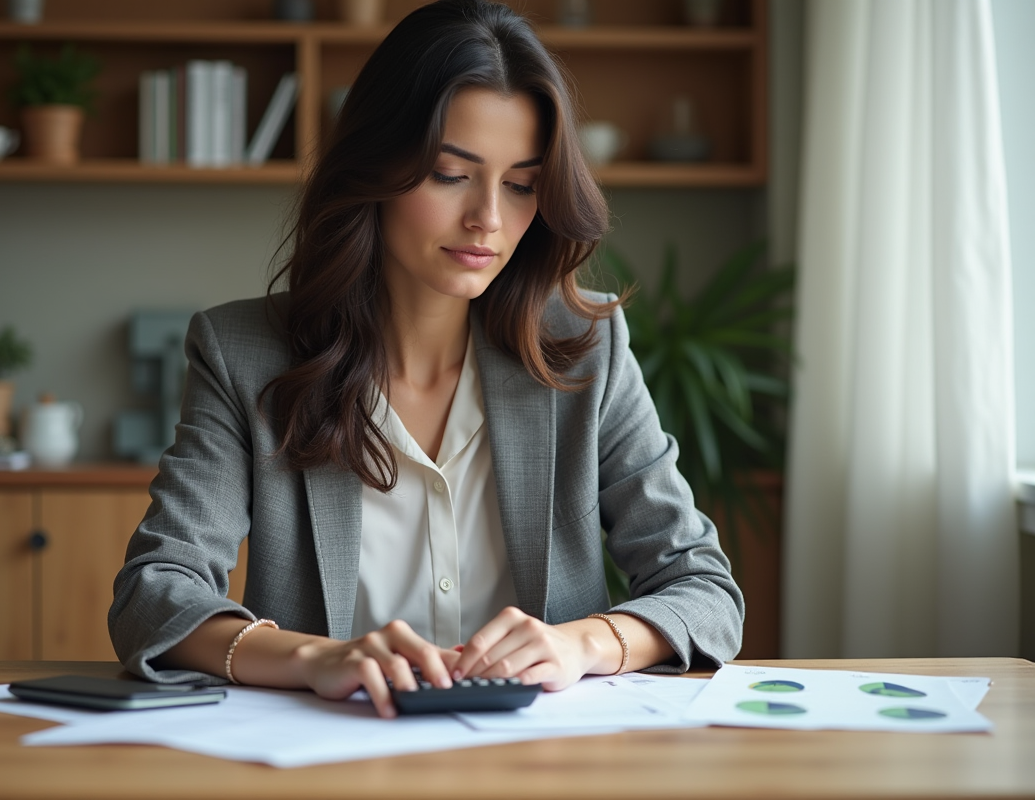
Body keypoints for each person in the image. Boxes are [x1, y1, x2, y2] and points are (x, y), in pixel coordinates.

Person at [109, 0, 743, 719]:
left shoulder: (587, 352)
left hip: (550, 766)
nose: (489, 219)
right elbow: (154, 592)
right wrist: (316, 656)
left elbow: (704, 590)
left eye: (522, 183)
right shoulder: (244, 355)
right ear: (374, 168)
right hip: (333, 756)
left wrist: (584, 645)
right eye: (450, 173)